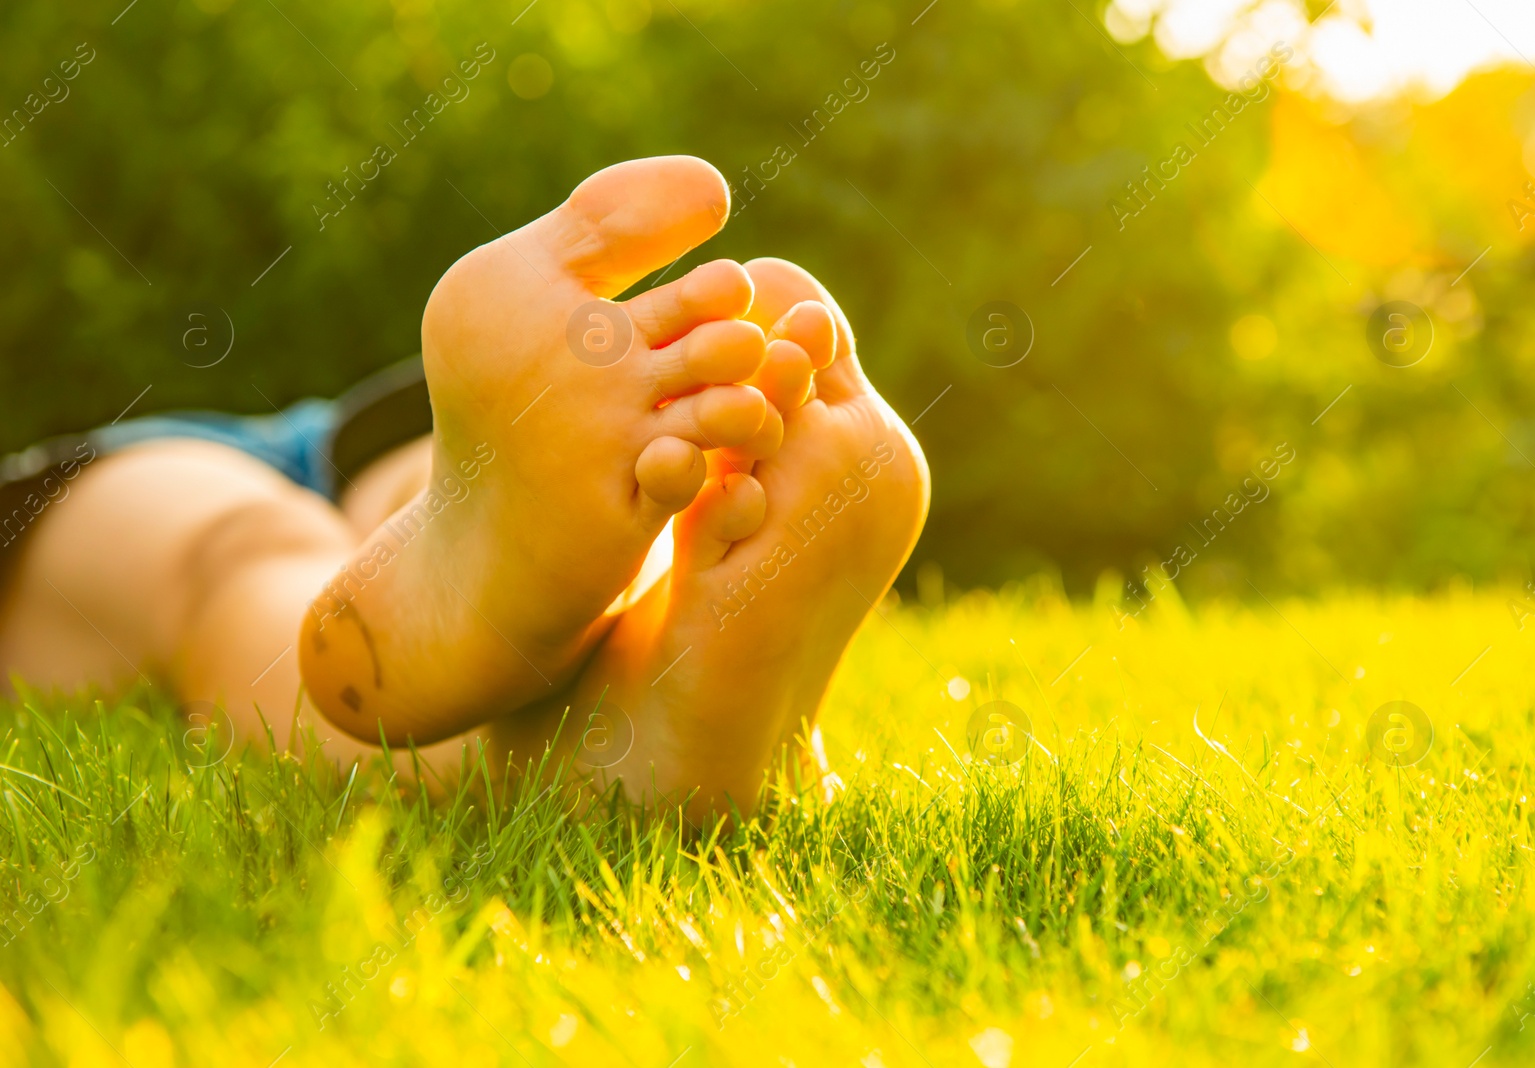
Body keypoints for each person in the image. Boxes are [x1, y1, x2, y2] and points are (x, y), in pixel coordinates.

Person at [0, 156, 930, 816]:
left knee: (235, 553)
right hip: (388, 431)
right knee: (354, 514)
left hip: (165, 460)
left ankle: (537, 637)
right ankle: (599, 675)